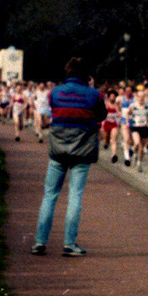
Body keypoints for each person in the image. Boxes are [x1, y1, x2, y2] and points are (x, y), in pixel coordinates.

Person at [32, 57, 107, 257]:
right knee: (75, 195)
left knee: (50, 195)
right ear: (87, 75)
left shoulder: (54, 92)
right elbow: (101, 116)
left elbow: (52, 111)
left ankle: (40, 241)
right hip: (82, 150)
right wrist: (91, 87)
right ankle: (69, 244)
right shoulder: (94, 95)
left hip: (58, 150)